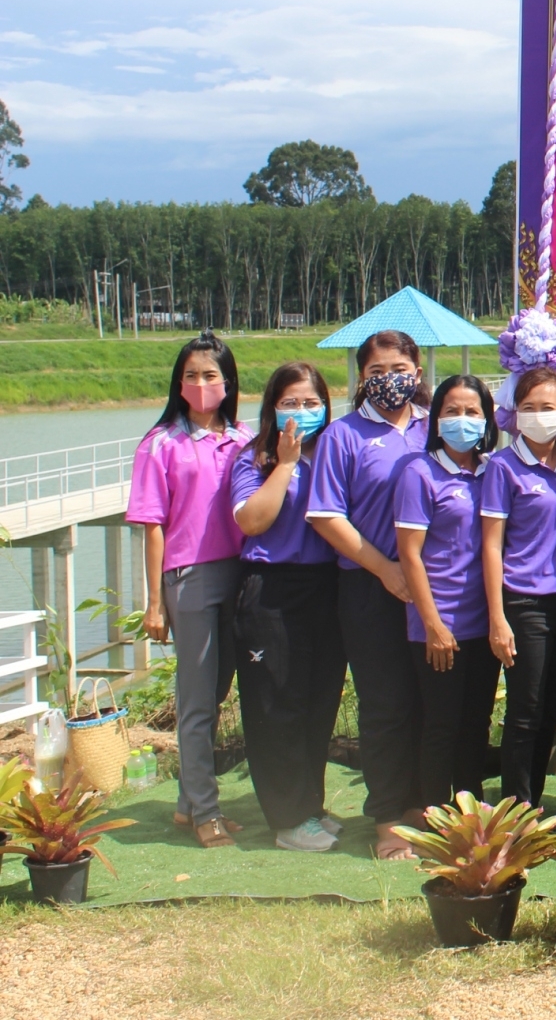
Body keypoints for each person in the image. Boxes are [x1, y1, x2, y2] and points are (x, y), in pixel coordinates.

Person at [307, 331, 430, 859]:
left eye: (399, 367)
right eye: (377, 371)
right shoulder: (344, 436)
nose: (389, 379)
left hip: (433, 588)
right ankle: (385, 817)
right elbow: (326, 514)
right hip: (369, 586)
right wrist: (384, 569)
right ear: (361, 378)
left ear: (419, 371)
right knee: (385, 704)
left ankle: (423, 805)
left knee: (430, 700)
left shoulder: (437, 427)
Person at [128, 332, 253, 849]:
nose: (201, 384)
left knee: (219, 689)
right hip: (190, 577)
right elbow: (152, 525)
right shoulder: (160, 444)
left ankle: (186, 801)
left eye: (211, 375)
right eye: (191, 375)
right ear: (178, 384)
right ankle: (206, 811)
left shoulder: (244, 438)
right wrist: (155, 601)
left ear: (228, 383)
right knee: (198, 699)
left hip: (239, 573)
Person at [232, 360, 346, 852]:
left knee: (319, 700)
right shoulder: (253, 459)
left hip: (326, 585)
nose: (302, 411)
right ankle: (287, 818)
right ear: (272, 408)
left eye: (312, 402)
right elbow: (252, 522)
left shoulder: (334, 453)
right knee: (278, 702)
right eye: (290, 402)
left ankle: (311, 805)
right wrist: (284, 464)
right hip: (271, 589)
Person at [393, 375, 501, 808]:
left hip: (484, 621)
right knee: (441, 723)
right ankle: (433, 810)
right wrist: (432, 625)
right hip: (440, 624)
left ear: (488, 420)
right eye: (451, 411)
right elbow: (410, 556)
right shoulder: (419, 474)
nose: (462, 420)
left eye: (472, 412)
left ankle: (469, 807)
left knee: (477, 721)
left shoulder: (492, 471)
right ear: (435, 419)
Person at [480, 366, 556, 809]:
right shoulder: (502, 467)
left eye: (548, 407)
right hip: (523, 602)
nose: (539, 415)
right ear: (515, 413)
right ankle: (515, 809)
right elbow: (490, 545)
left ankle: (532, 800)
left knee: (550, 710)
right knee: (525, 713)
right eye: (529, 408)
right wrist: (497, 617)